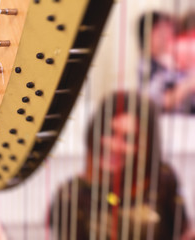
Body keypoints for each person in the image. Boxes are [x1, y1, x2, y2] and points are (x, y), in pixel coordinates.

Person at [50, 91, 188, 240]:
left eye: (128, 139)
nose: (115, 146)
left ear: (145, 147)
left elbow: (183, 233)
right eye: (109, 132)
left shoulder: (161, 178)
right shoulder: (70, 196)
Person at [138, 11, 195, 113]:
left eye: (168, 29)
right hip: (168, 123)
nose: (167, 34)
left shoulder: (177, 61)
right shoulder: (147, 64)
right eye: (160, 31)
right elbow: (157, 102)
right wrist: (189, 83)